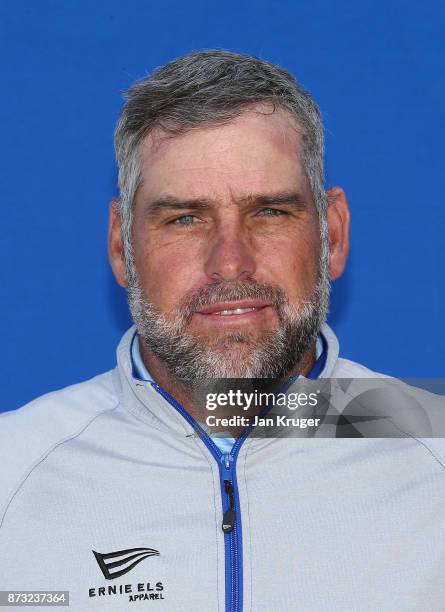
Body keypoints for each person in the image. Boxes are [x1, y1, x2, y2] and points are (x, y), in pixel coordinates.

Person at [1, 50, 444, 611]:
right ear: (121, 246)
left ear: (333, 234)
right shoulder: (11, 471)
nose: (231, 263)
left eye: (271, 212)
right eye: (185, 218)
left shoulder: (435, 458)